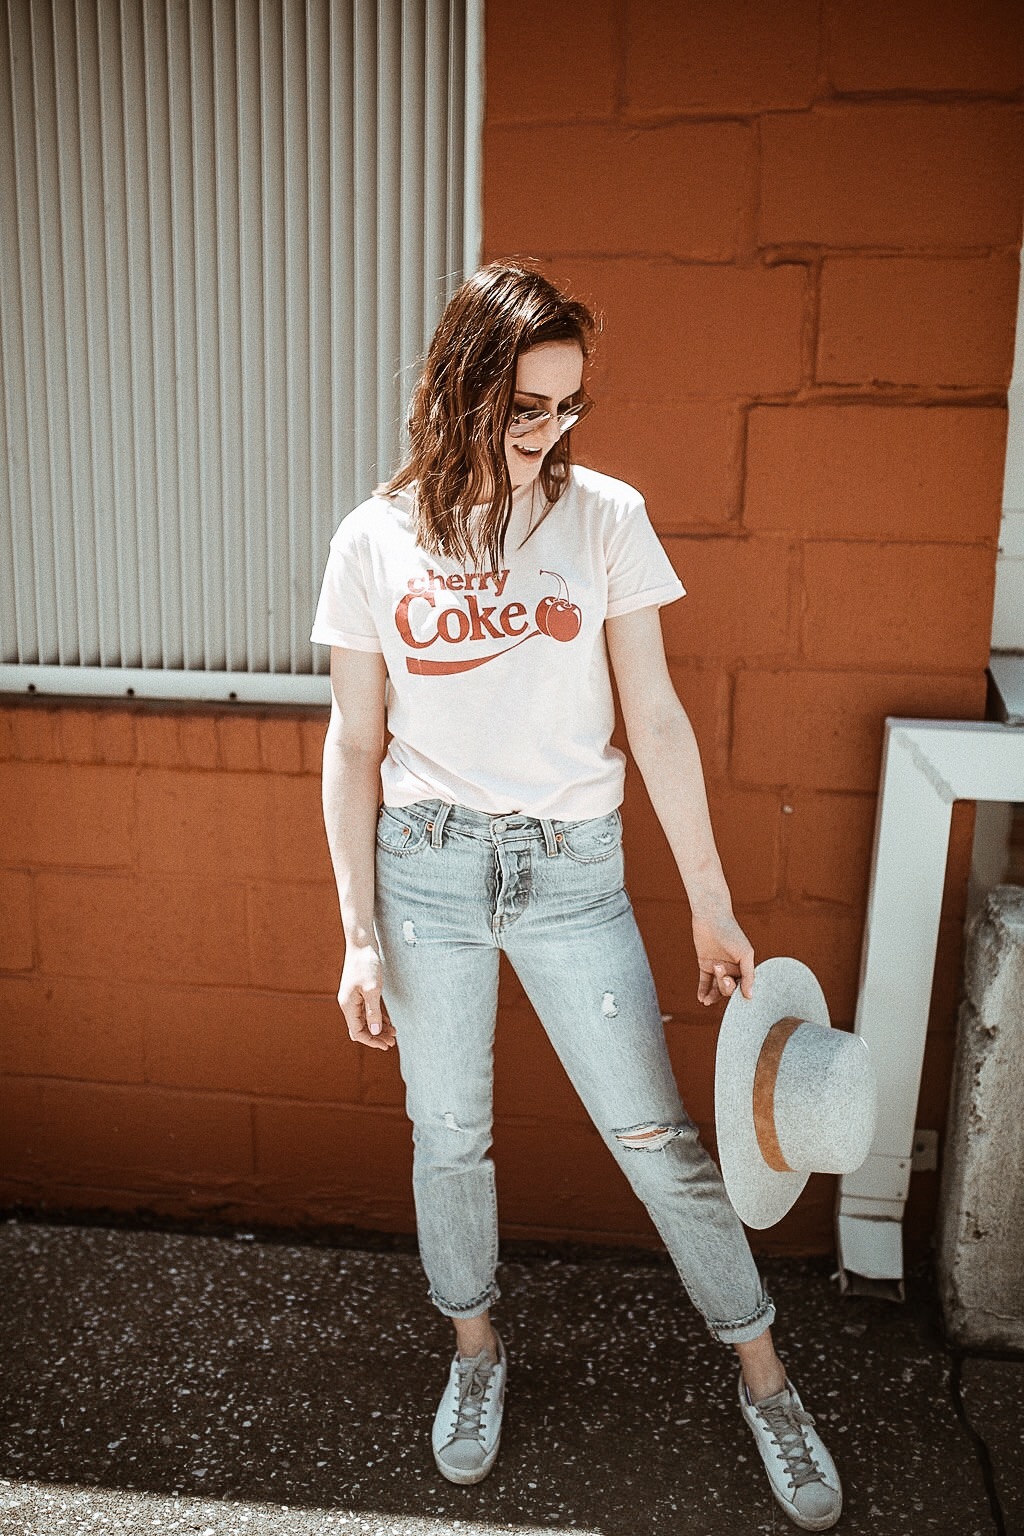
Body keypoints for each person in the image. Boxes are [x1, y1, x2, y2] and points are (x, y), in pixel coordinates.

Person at [312, 262, 842, 1532]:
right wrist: (358, 936)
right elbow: (350, 744)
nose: (549, 434)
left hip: (569, 875)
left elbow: (653, 719)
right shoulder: (373, 538)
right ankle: (476, 1355)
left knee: (658, 1143)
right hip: (427, 868)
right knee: (449, 1138)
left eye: (567, 408)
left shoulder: (603, 516)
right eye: (524, 409)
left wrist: (710, 905)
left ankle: (763, 1375)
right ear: (460, 390)